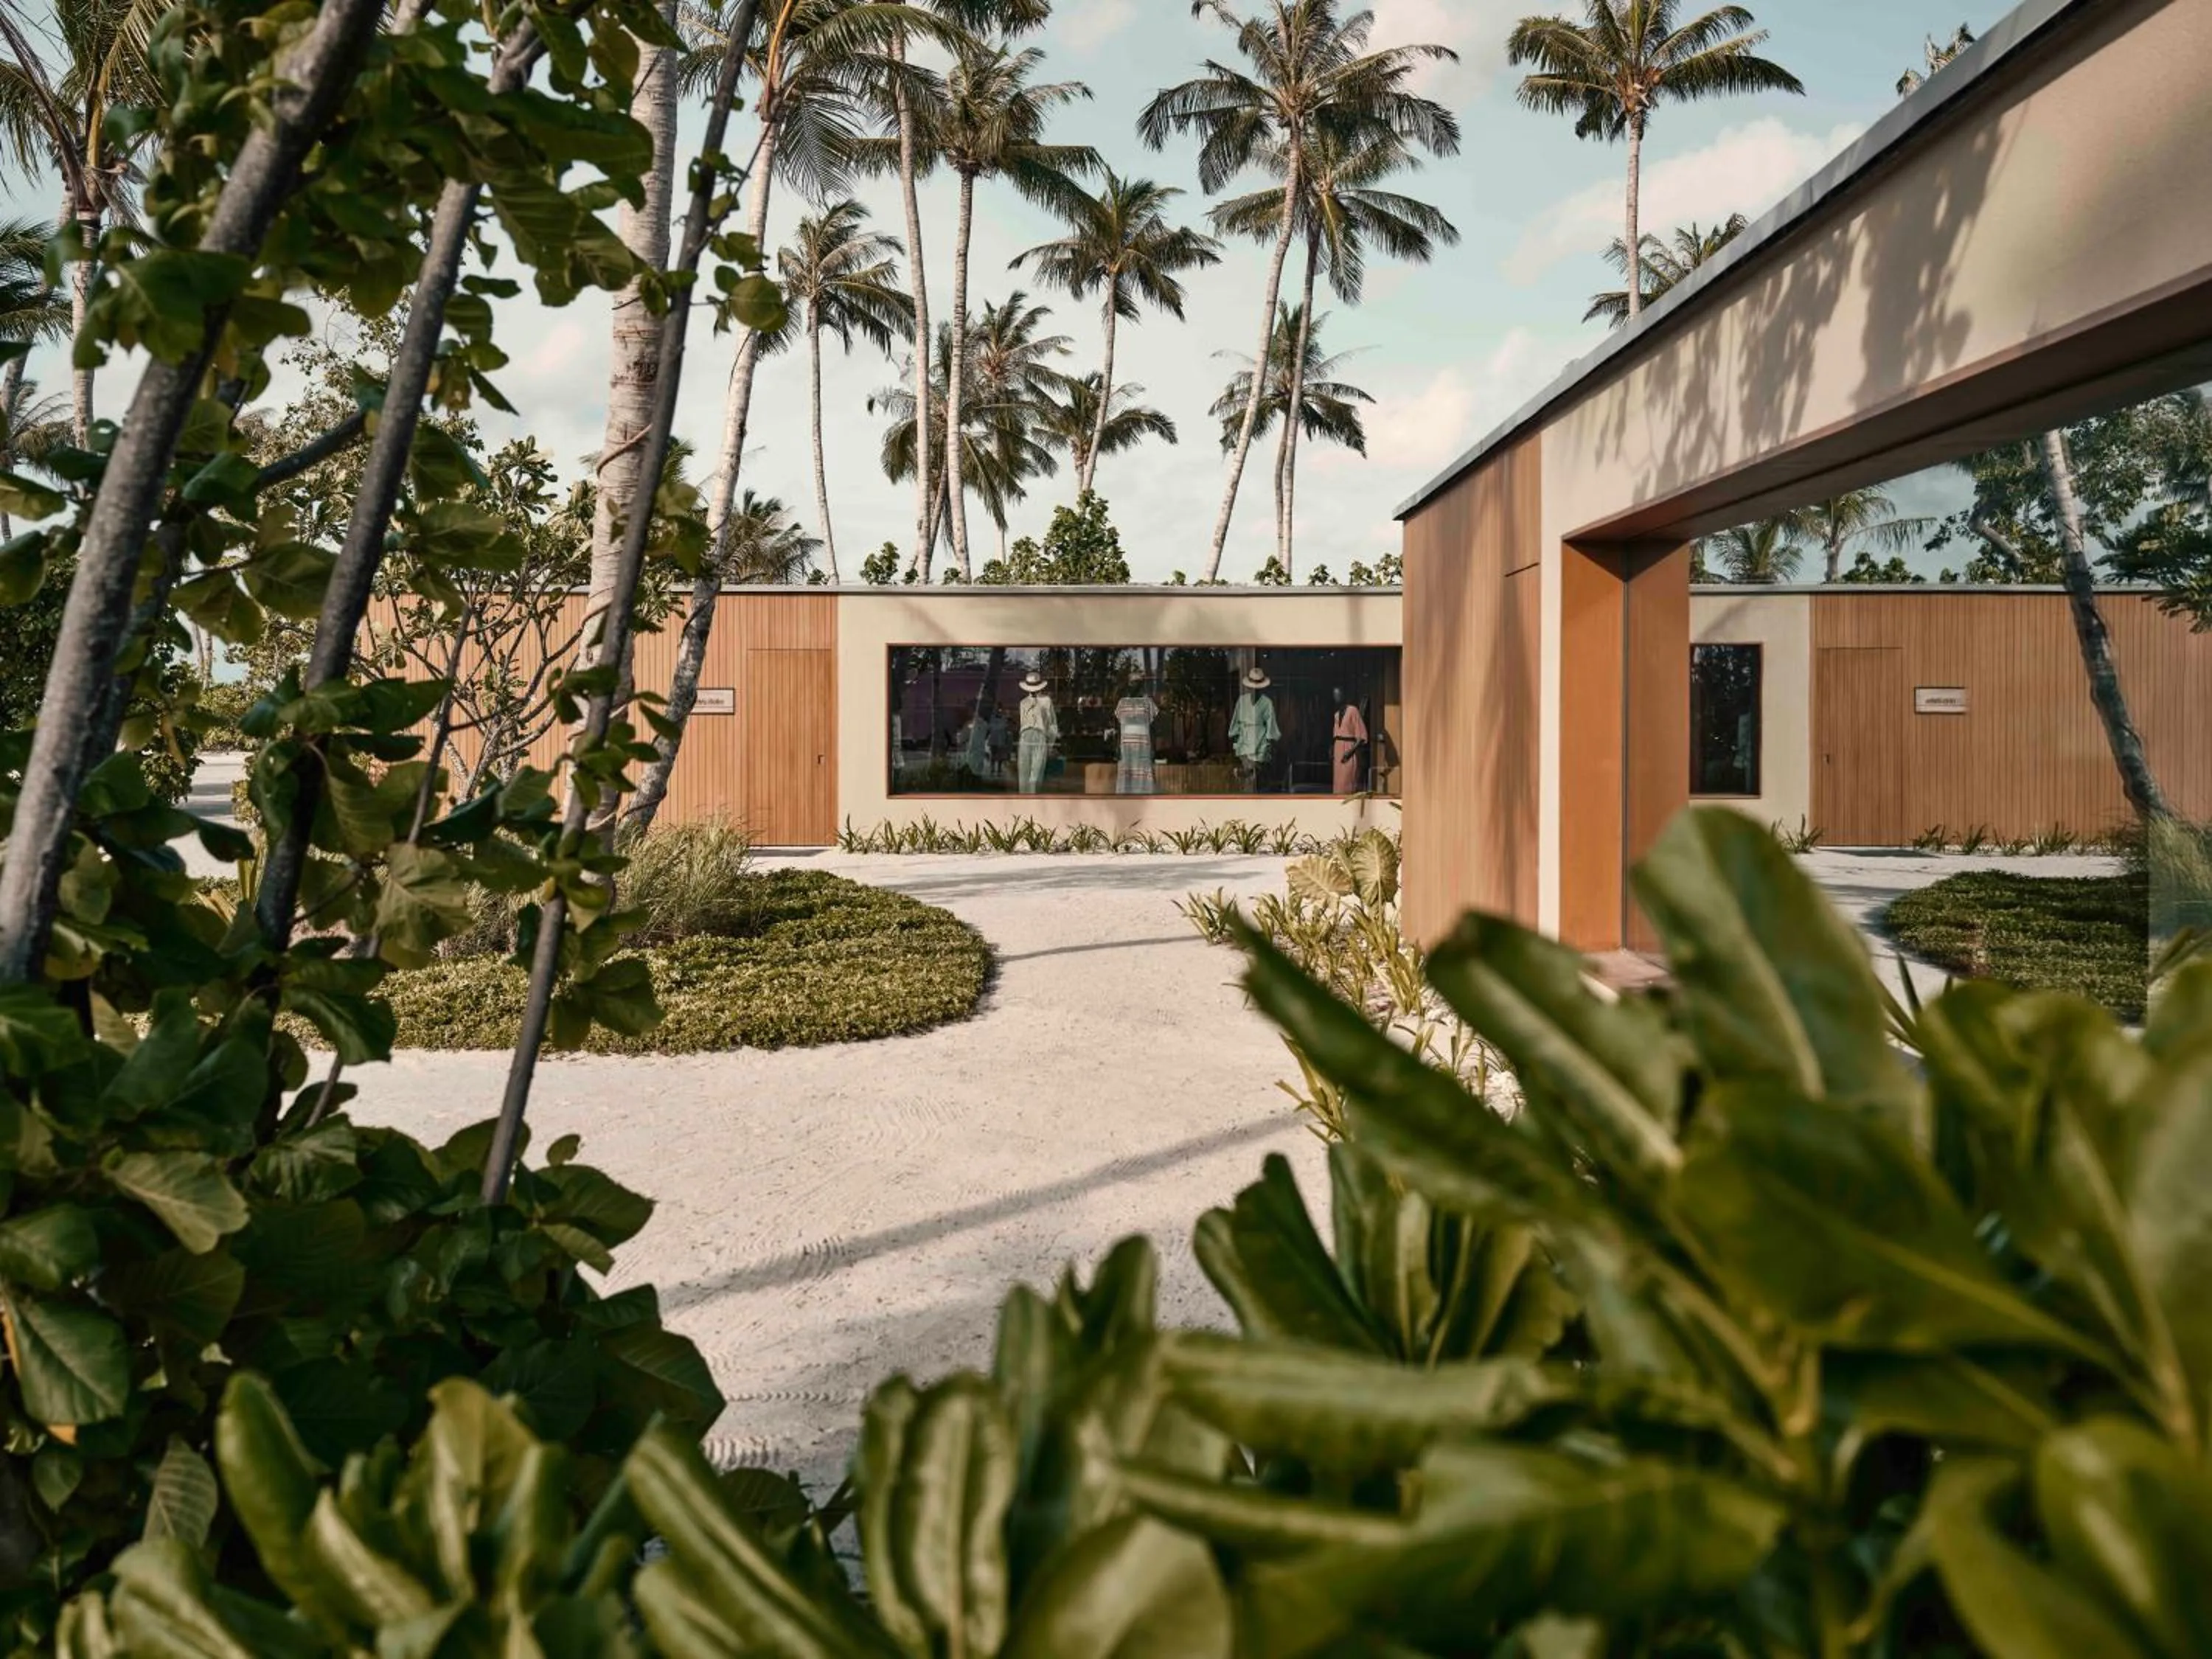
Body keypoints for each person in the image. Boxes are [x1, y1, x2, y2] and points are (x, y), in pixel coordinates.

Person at [1331, 685, 1368, 794]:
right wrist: (1333, 748)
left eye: (1338, 694)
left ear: (1343, 695)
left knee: (1348, 782)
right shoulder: (1337, 715)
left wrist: (1350, 752)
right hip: (1338, 750)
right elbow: (1336, 735)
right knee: (1338, 783)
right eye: (1334, 695)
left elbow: (1361, 736)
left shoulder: (1353, 710)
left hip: (1349, 749)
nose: (1336, 697)